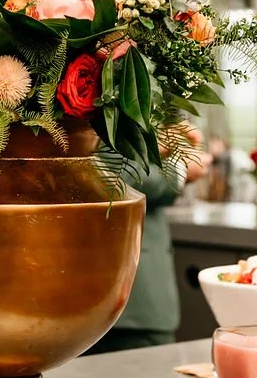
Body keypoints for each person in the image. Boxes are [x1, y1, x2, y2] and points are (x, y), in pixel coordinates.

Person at [87, 128, 210, 351]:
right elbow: (113, 170)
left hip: (122, 296)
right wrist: (180, 169)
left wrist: (157, 143)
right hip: (131, 296)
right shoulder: (96, 116)